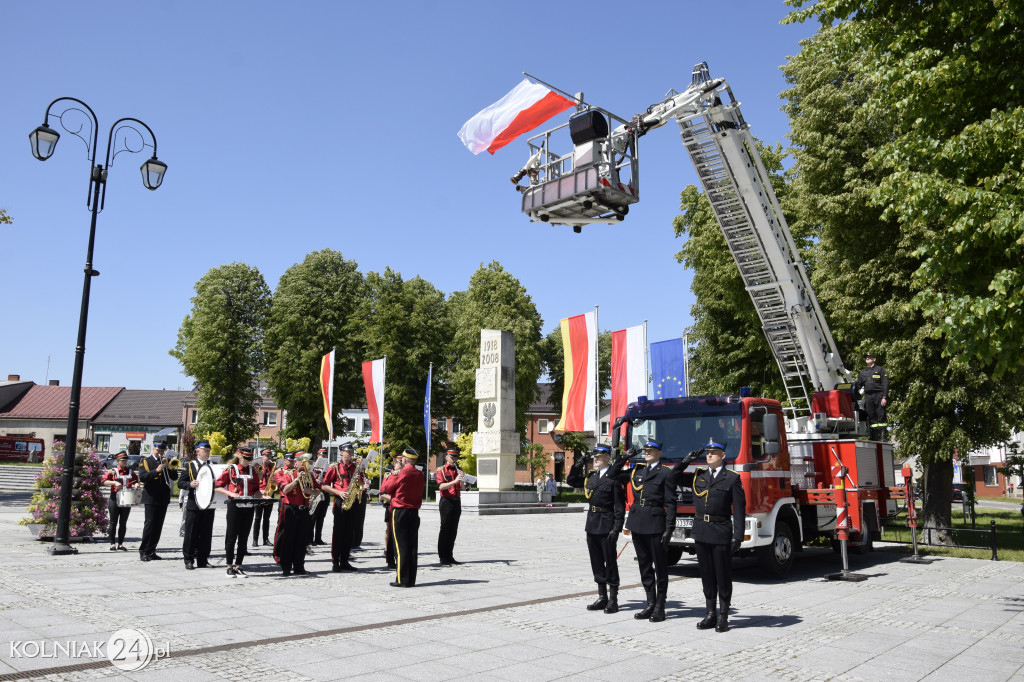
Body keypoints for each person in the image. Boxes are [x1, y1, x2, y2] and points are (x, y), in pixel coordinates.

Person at [608, 439, 677, 622]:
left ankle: (660, 606)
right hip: (638, 522)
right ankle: (650, 603)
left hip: (655, 523)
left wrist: (669, 529)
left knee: (660, 568)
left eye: (651, 450)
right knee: (645, 566)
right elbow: (612, 475)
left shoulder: (665, 473)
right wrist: (624, 457)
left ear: (659, 453)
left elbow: (671, 504)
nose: (646, 452)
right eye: (645, 450)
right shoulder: (637, 470)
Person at [680, 439, 745, 633]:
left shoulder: (731, 478)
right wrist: (685, 461)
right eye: (707, 452)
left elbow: (740, 510)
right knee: (707, 575)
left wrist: (738, 536)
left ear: (722, 456)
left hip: (720, 531)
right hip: (701, 530)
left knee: (722, 575)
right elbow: (673, 478)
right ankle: (710, 614)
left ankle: (723, 616)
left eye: (713, 453)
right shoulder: (698, 476)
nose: (709, 455)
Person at [566, 444, 625, 614]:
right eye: (595, 456)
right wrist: (579, 463)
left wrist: (616, 529)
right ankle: (602, 597)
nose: (596, 459)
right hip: (592, 523)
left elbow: (619, 507)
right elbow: (571, 481)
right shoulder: (591, 477)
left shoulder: (613, 478)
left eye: (600, 456)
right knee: (596, 561)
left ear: (608, 458)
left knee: (610, 562)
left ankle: (613, 599)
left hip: (607, 524)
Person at [379, 447, 426, 587]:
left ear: (404, 459)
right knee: (412, 546)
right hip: (414, 512)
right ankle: (411, 579)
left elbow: (387, 488)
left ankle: (402, 579)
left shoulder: (400, 473)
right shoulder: (419, 474)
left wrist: (393, 474)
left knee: (400, 546)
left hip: (399, 511)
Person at [215, 446, 262, 577]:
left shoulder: (253, 471)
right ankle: (229, 566)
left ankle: (238, 565)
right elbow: (217, 486)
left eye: (250, 459)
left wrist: (263, 496)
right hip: (234, 507)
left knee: (244, 538)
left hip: (249, 506)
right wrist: (230, 493)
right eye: (246, 459)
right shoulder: (231, 470)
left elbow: (256, 490)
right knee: (231, 537)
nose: (248, 461)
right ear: (240, 457)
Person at [320, 444, 359, 572]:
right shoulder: (335, 467)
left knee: (349, 533)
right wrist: (338, 492)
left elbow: (361, 485)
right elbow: (324, 486)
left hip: (352, 501)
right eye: (348, 452)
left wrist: (359, 482)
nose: (350, 454)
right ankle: (335, 561)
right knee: (338, 533)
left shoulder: (355, 467)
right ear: (341, 453)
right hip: (340, 501)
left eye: (351, 452)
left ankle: (345, 560)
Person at [273, 451, 313, 576]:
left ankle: (299, 566)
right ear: (296, 462)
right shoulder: (284, 473)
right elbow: (285, 489)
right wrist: (297, 480)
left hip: (303, 508)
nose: (305, 463)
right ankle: (285, 566)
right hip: (289, 507)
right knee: (288, 538)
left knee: (301, 539)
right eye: (302, 460)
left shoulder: (309, 474)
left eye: (306, 460)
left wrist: (311, 490)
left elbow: (317, 489)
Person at [179, 440, 216, 570]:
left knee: (206, 534)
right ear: (197, 451)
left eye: (208, 450)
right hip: (194, 504)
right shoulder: (190, 465)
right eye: (204, 450)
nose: (207, 452)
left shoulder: (213, 465)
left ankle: (203, 559)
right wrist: (190, 484)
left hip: (209, 504)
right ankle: (188, 559)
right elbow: (180, 482)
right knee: (191, 533)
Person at [137, 441, 173, 561]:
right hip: (151, 497)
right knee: (150, 524)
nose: (160, 453)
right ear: (153, 450)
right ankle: (143, 550)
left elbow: (174, 477)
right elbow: (142, 478)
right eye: (158, 451)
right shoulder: (146, 461)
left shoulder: (165, 461)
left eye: (162, 451)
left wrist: (168, 466)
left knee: (158, 525)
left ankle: (152, 550)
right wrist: (156, 471)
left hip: (163, 497)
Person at [100, 449, 138, 551]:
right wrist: (114, 483)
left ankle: (120, 543)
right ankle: (112, 543)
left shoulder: (130, 471)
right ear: (118, 461)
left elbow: (135, 480)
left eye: (125, 460)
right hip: (114, 498)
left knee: (123, 522)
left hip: (127, 498)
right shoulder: (113, 471)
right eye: (122, 461)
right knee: (113, 522)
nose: (124, 462)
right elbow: (103, 481)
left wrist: (136, 484)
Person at [436, 445, 465, 566]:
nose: (454, 460)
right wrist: (454, 481)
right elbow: (441, 486)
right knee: (445, 529)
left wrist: (462, 480)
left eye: (456, 457)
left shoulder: (458, 469)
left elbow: (463, 488)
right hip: (446, 501)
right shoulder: (441, 470)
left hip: (456, 501)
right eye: (452, 457)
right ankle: (442, 556)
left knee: (453, 530)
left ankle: (450, 555)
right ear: (447, 456)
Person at [855, 352, 890, 441]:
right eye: (866, 357)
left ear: (874, 359)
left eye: (869, 357)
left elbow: (885, 384)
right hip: (868, 396)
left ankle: (883, 436)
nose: (867, 358)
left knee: (881, 415)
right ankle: (874, 436)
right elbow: (858, 385)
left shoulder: (880, 370)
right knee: (871, 416)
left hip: (879, 395)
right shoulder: (863, 372)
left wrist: (884, 397)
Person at [252, 448, 275, 547]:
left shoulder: (272, 467)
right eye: (267, 456)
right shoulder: (258, 466)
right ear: (262, 456)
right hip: (260, 493)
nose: (269, 458)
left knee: (267, 518)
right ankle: (255, 540)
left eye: (270, 456)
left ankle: (266, 539)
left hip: (269, 493)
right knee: (257, 518)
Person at [382, 456, 402, 568]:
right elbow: (382, 493)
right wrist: (395, 499)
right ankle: (390, 559)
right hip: (392, 506)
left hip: (404, 507)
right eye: (398, 463)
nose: (400, 464)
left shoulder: (406, 474)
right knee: (390, 531)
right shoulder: (389, 475)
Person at [310, 449, 330, 546]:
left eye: (325, 454)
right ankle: (310, 539)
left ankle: (318, 538)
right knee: (313, 516)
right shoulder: (313, 465)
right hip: (316, 492)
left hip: (325, 491)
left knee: (321, 516)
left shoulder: (328, 466)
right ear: (317, 455)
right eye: (322, 454)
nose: (323, 456)